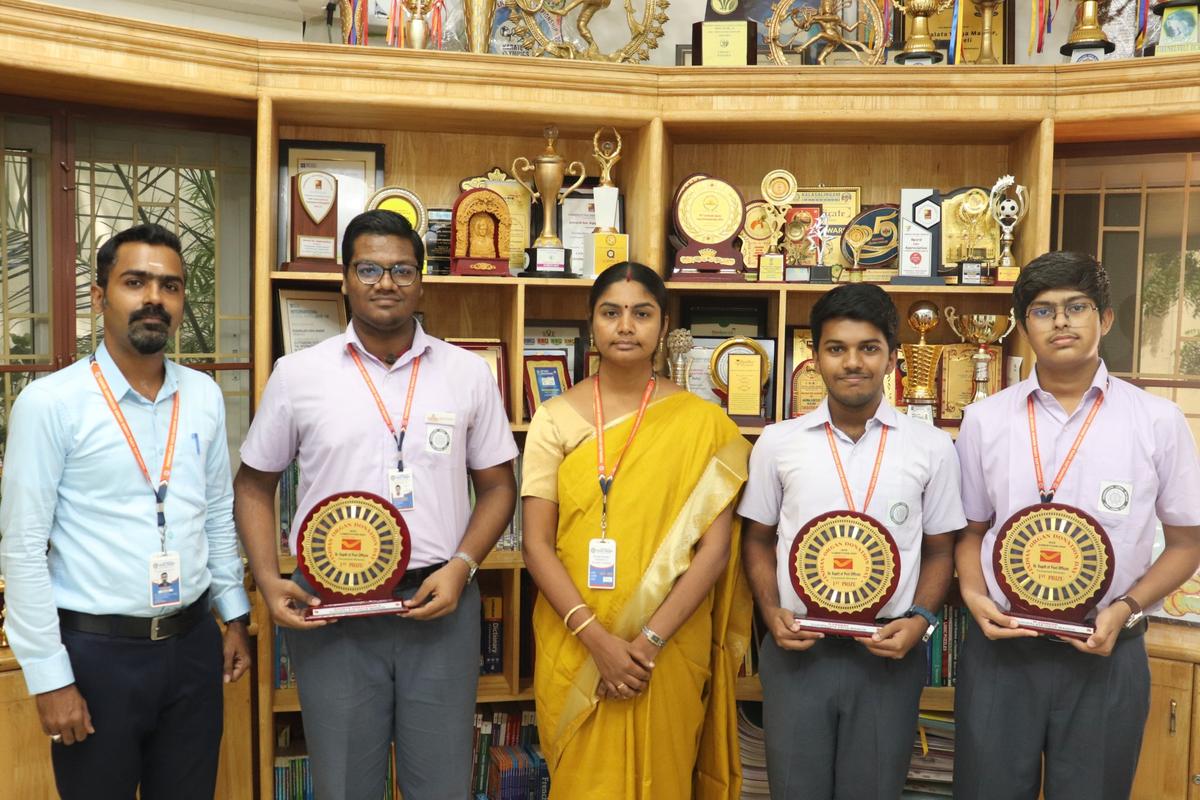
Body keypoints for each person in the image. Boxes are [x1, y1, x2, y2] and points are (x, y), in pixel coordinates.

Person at [234, 209, 518, 800]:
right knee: (342, 786)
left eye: (401, 270)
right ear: (344, 279)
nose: (385, 283)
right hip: (332, 613)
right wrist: (265, 576)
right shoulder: (297, 375)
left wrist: (462, 566)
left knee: (441, 785)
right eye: (369, 268)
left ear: (422, 282)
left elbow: (498, 487)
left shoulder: (467, 373)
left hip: (438, 604)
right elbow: (253, 485)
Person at [0, 222, 252, 799]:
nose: (154, 299)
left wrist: (233, 613)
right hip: (96, 657)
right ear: (100, 295)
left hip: (192, 649)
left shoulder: (204, 396)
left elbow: (215, 512)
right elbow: (22, 548)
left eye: (170, 286)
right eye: (135, 282)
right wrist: (50, 677)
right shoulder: (50, 404)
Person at [953, 252, 1200, 800]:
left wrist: (1127, 606)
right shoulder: (984, 420)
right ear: (1023, 326)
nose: (1060, 321)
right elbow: (969, 532)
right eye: (1042, 310)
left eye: (1076, 307)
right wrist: (973, 594)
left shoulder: (1156, 421)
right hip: (1003, 651)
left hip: (1106, 649)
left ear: (1105, 319)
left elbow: (1187, 543)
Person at [521, 262, 751, 799]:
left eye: (641, 313)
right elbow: (535, 544)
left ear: (663, 326)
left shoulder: (704, 423)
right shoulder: (553, 419)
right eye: (611, 313)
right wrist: (597, 641)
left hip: (668, 644)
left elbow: (714, 551)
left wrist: (647, 642)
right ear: (591, 323)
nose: (626, 326)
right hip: (576, 639)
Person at [739, 283, 966, 800]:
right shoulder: (778, 442)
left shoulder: (931, 446)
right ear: (815, 356)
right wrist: (770, 611)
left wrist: (922, 621)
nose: (852, 362)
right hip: (799, 649)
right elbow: (757, 539)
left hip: (887, 652)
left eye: (868, 347)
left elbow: (940, 550)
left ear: (892, 358)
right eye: (836, 348)